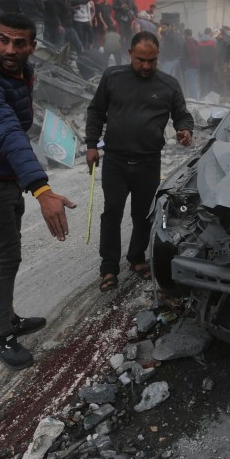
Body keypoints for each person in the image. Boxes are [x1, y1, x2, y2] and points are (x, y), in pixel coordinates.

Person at [0, 12, 76, 370]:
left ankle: (8, 319)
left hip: (4, 179)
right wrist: (41, 189)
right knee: (6, 255)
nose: (10, 48)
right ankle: (2, 337)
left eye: (19, 43)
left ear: (32, 46)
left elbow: (16, 127)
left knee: (10, 252)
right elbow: (7, 131)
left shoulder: (17, 73)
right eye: (3, 40)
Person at [84, 32, 194, 291]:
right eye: (141, 60)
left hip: (147, 162)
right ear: (130, 54)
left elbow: (182, 116)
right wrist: (91, 145)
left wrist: (185, 130)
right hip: (115, 160)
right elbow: (96, 112)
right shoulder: (113, 77)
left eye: (152, 61)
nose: (146, 66)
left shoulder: (168, 85)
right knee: (112, 213)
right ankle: (109, 268)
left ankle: (136, 258)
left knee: (143, 215)